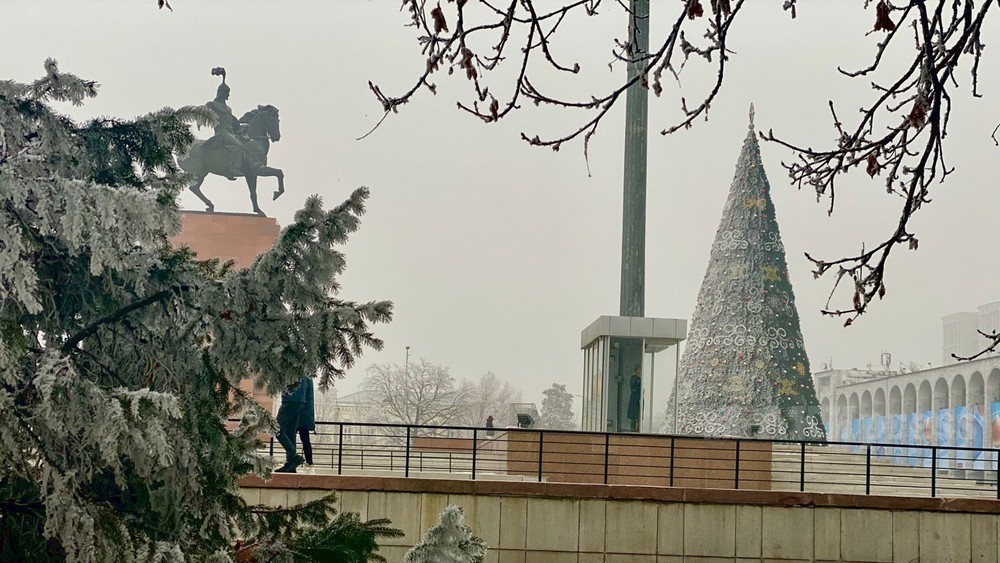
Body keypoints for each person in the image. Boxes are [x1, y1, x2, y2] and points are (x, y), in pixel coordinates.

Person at [203, 80, 244, 180]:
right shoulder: (212, 105)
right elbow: (203, 112)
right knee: (237, 146)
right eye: (227, 93)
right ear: (221, 93)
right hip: (222, 134)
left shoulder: (228, 109)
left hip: (231, 133)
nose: (228, 95)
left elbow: (233, 121)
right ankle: (233, 168)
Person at [274, 376, 310, 473]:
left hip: (291, 399)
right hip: (301, 400)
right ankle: (291, 464)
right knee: (290, 432)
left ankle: (294, 457)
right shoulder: (304, 370)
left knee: (277, 429)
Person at [296, 377, 316, 468]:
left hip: (299, 413)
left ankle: (293, 459)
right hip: (305, 415)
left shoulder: (303, 378)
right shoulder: (308, 379)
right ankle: (309, 461)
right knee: (305, 440)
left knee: (290, 436)